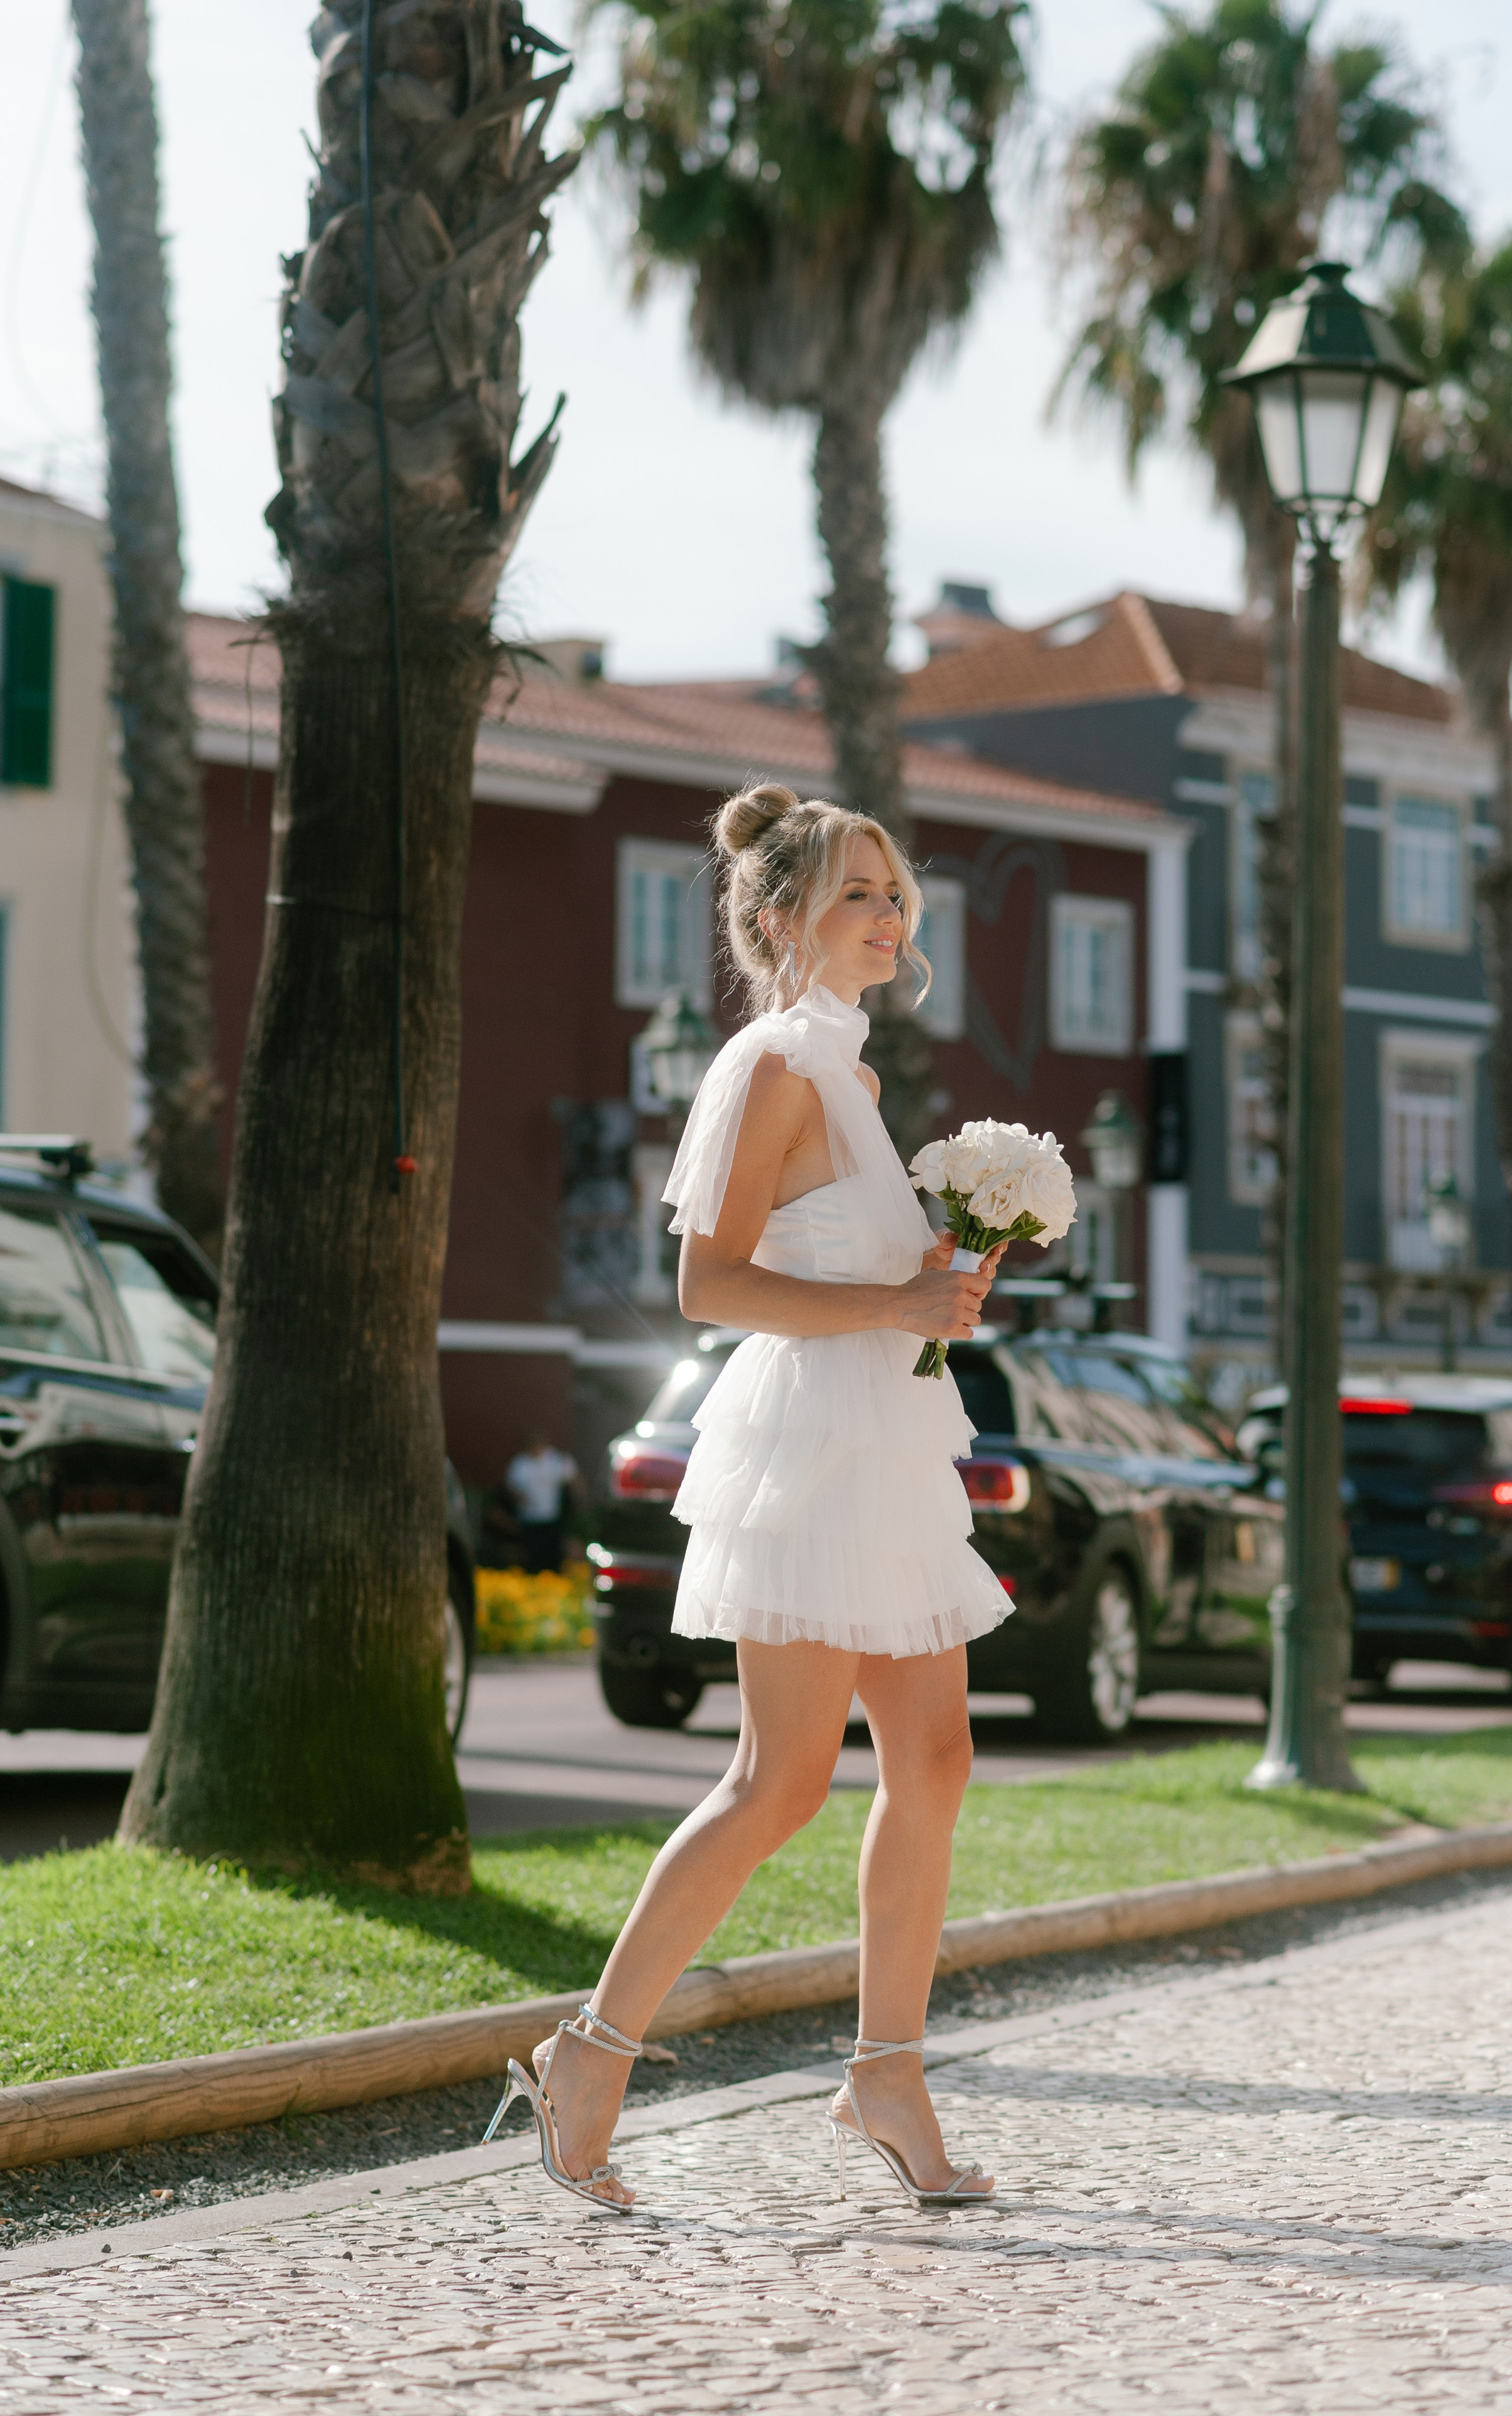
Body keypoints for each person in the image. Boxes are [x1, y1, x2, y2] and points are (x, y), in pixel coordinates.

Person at [485, 783, 1011, 2213]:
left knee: (937, 1759)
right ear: (778, 917)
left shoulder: (853, 1076)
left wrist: (938, 1292)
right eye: (854, 891)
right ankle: (586, 2050)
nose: (886, 915)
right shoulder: (770, 1062)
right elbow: (705, 1285)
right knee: (778, 1780)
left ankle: (885, 2067)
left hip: (890, 1434)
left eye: (893, 891)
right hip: (812, 1449)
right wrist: (890, 1298)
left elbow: (860, 1283)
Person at [503, 1432, 579, 1574]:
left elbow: (572, 1478)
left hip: (552, 1516)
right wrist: (519, 1498)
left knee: (552, 1552)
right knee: (533, 1553)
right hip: (529, 1517)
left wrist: (575, 1502)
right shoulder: (520, 1464)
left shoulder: (555, 1460)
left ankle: (553, 1578)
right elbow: (511, 1488)